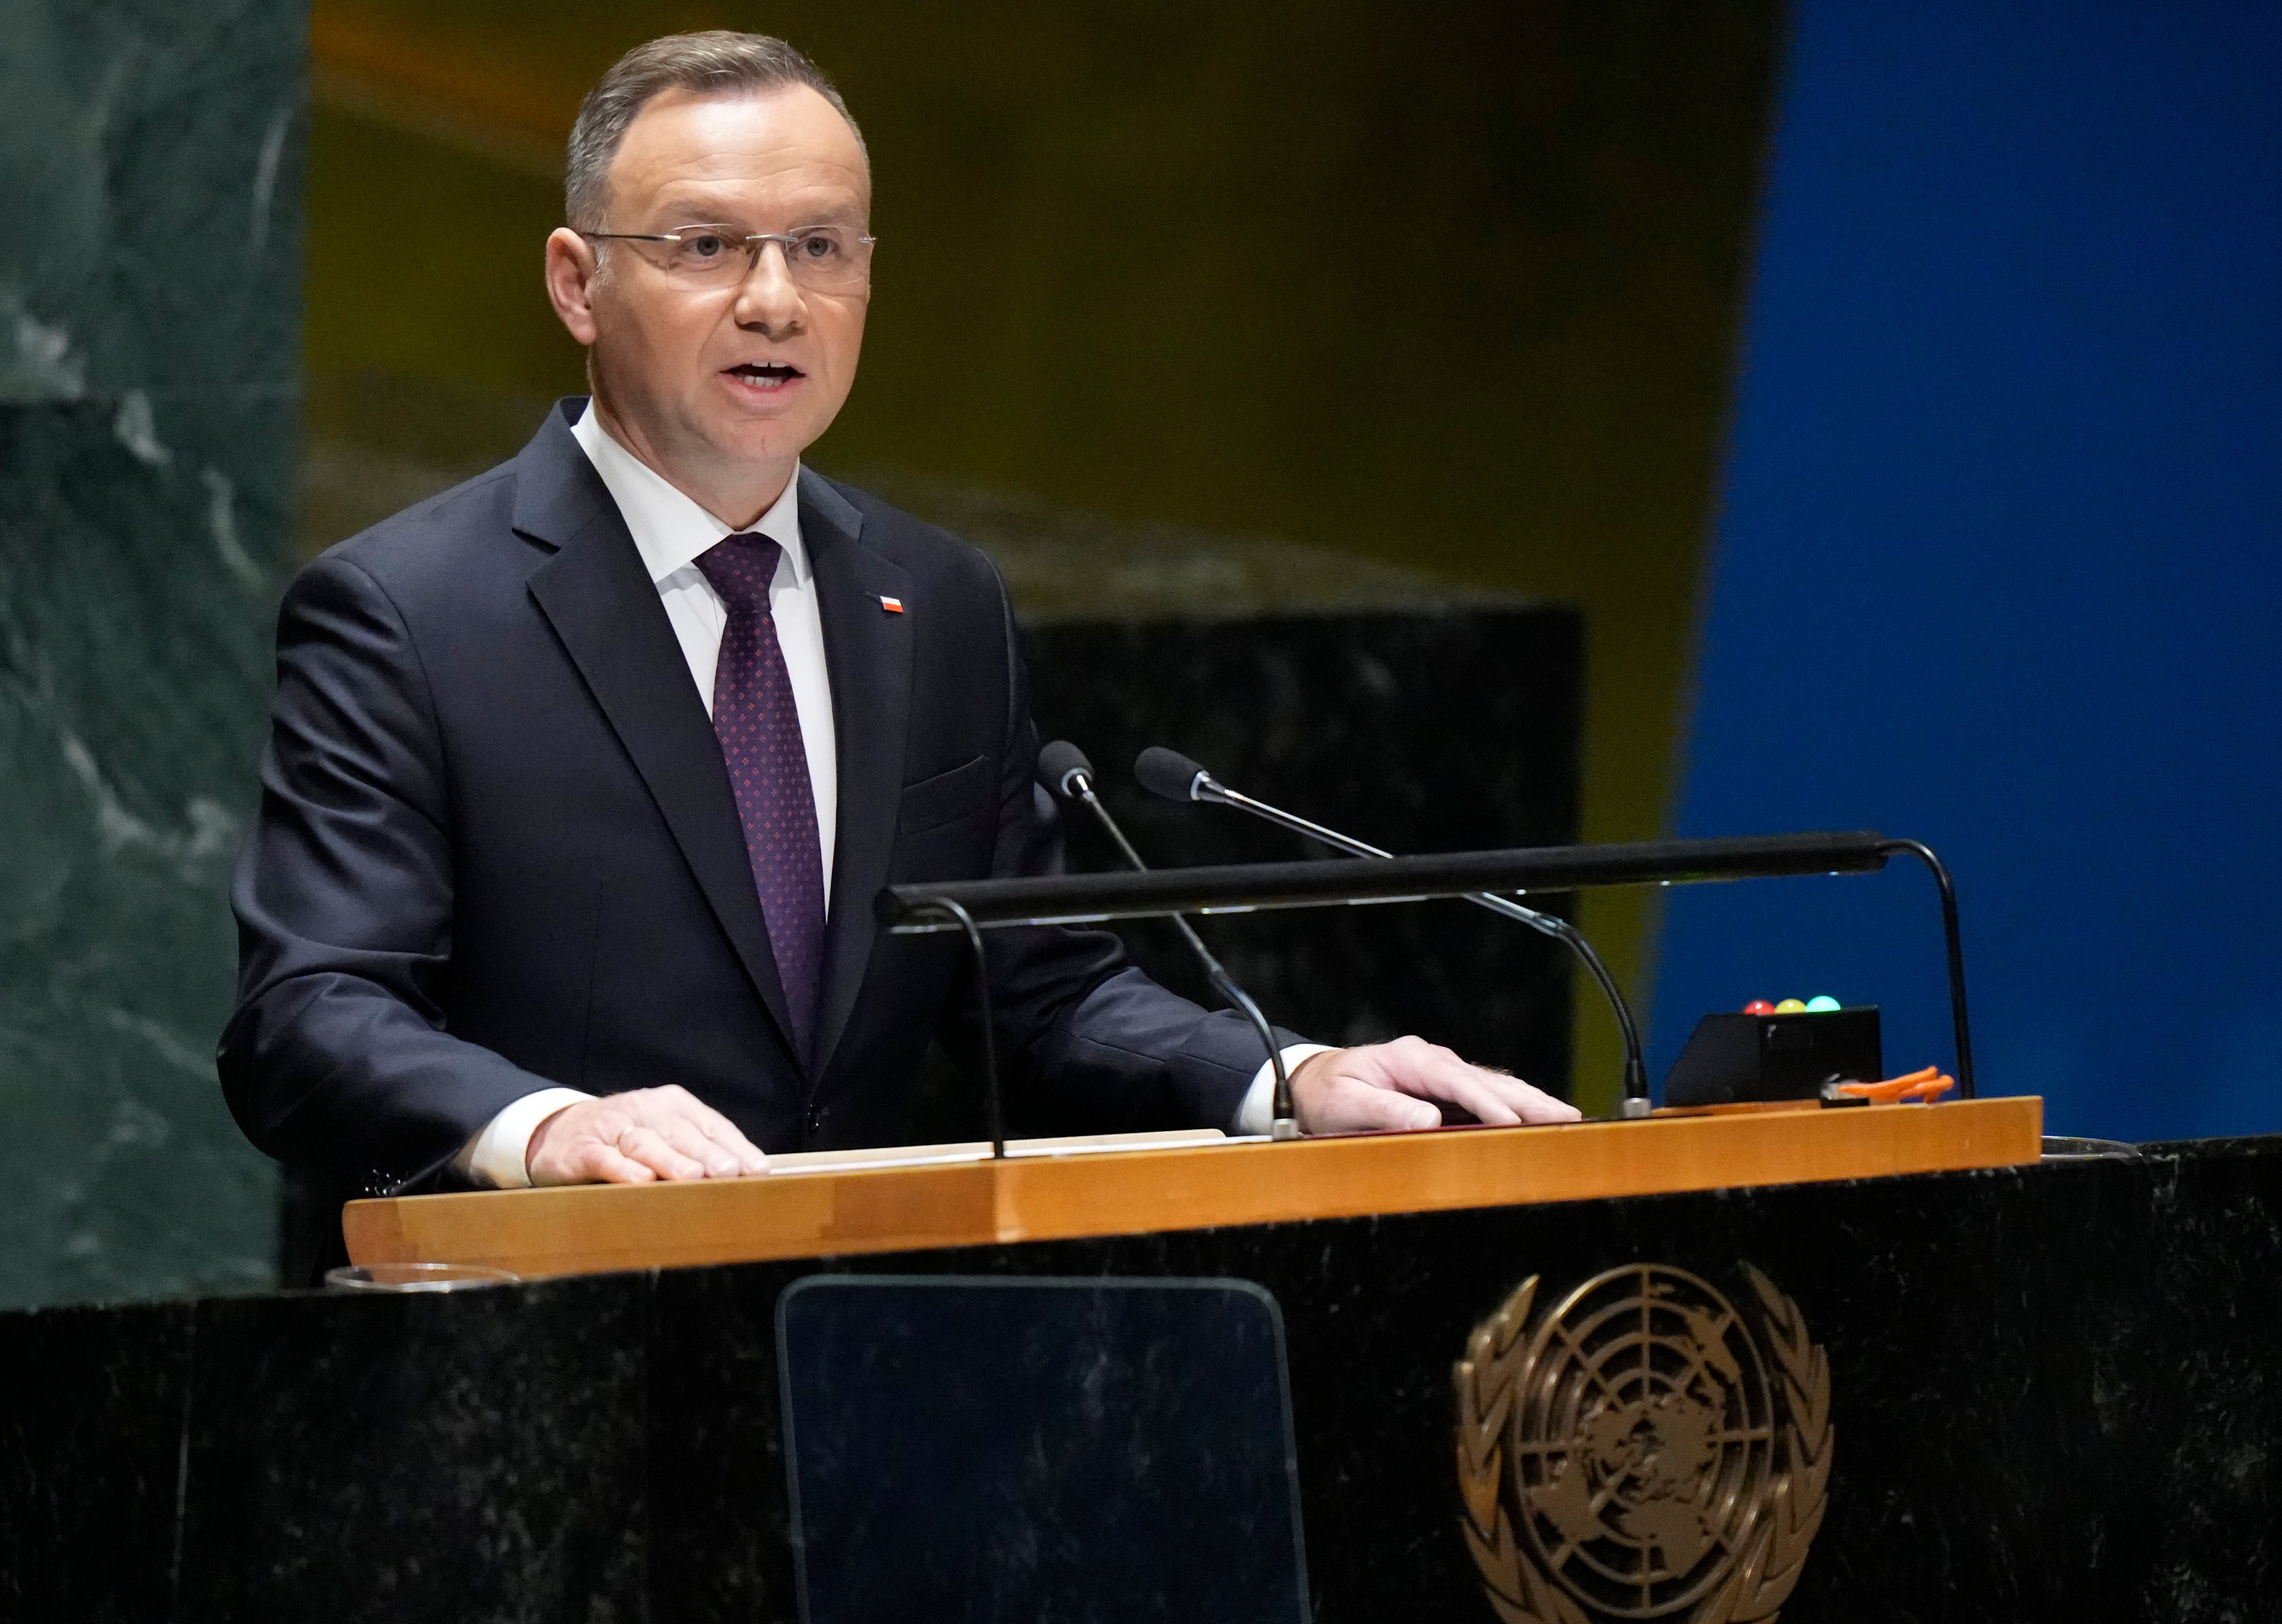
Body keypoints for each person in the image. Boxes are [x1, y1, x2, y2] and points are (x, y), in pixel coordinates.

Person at [218, 30, 1576, 1202]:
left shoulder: (932, 600)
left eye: (819, 248)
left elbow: (1036, 988)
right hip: (538, 1369)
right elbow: (310, 1016)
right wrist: (550, 1126)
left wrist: (1288, 1075)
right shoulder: (411, 611)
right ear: (578, 282)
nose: (772, 298)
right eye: (704, 245)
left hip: (858, 1352)